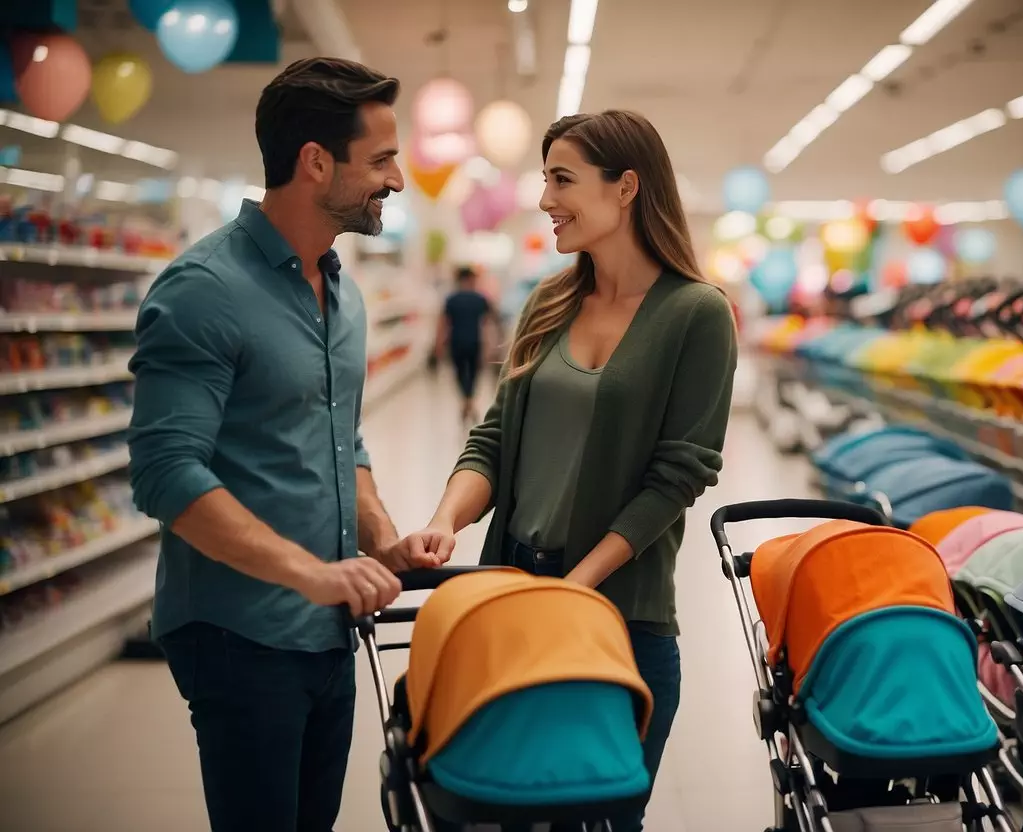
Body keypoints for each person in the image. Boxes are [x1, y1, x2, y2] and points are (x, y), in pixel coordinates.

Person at [126, 57, 443, 832]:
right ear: (314, 162)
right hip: (240, 633)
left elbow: (343, 439)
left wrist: (381, 544)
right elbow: (166, 476)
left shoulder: (341, 292)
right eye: (380, 160)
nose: (397, 180)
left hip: (327, 629)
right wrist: (312, 575)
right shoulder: (203, 290)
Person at [402, 110, 739, 832]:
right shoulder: (548, 302)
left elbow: (676, 478)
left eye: (562, 179)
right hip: (512, 602)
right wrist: (445, 520)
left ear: (625, 188)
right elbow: (494, 438)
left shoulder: (696, 314)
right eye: (544, 179)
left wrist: (574, 588)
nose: (546, 199)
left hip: (621, 622)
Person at [436, 265, 495, 421]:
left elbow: (443, 324)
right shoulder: (481, 299)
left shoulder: (451, 299)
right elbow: (487, 324)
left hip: (456, 342)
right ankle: (469, 401)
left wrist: (439, 345)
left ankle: (466, 401)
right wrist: (489, 346)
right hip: (475, 342)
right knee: (475, 374)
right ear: (471, 279)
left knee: (460, 373)